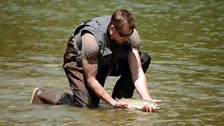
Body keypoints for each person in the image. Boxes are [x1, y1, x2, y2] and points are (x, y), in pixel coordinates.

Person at [30, 9, 161, 112]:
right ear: (112, 29)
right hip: (78, 59)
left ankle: (122, 100)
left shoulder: (130, 36)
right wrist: (113, 103)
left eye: (129, 35)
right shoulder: (91, 40)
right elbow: (91, 79)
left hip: (106, 57)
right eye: (123, 35)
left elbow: (136, 72)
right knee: (87, 106)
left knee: (143, 59)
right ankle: (42, 95)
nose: (127, 39)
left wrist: (147, 100)